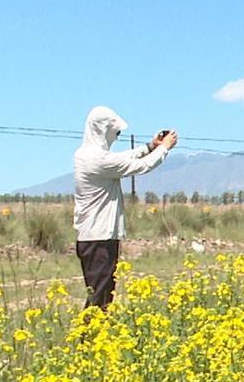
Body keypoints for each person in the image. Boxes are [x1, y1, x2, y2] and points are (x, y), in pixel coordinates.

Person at [73, 106, 176, 308]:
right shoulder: (97, 159)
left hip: (96, 237)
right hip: (98, 238)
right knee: (99, 300)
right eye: (115, 132)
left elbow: (121, 159)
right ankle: (88, 338)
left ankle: (93, 336)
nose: (116, 137)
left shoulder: (87, 155)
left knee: (102, 295)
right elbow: (142, 166)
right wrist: (164, 148)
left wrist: (150, 146)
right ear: (103, 130)